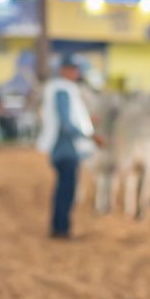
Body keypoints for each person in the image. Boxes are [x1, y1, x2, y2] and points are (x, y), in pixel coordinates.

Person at [35, 56, 100, 239]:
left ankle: (60, 227)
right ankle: (61, 229)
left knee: (64, 189)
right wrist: (90, 136)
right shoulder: (62, 90)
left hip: (64, 147)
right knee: (66, 190)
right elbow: (66, 123)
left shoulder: (62, 88)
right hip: (65, 148)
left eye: (76, 69)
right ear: (63, 70)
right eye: (72, 68)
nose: (75, 72)